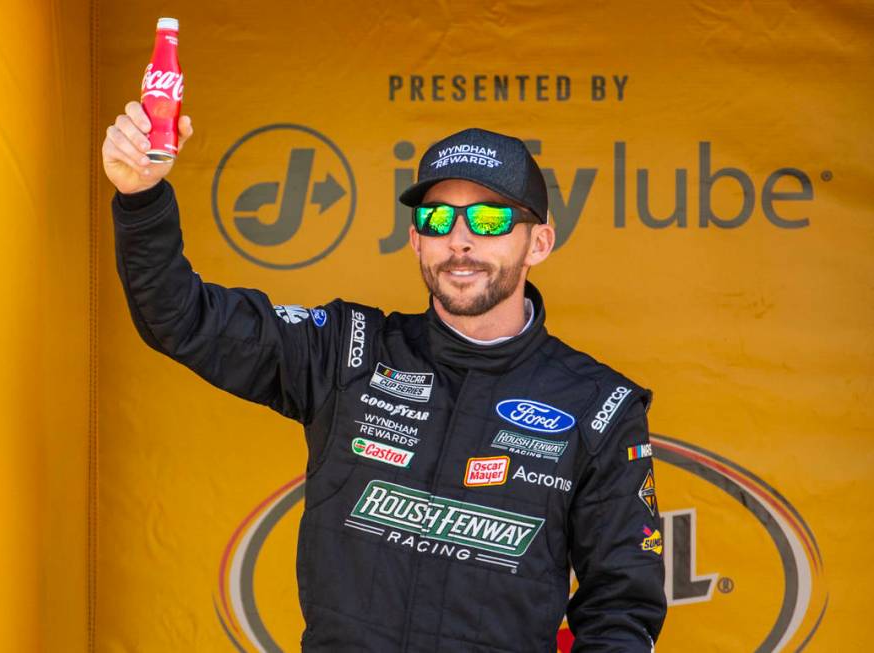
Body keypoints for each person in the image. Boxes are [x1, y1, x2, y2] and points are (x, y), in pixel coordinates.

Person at [103, 101, 667, 652]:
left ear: (538, 243)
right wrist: (141, 195)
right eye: (437, 217)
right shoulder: (347, 350)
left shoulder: (599, 405)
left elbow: (621, 606)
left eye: (490, 219)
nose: (460, 240)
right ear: (416, 237)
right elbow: (181, 318)